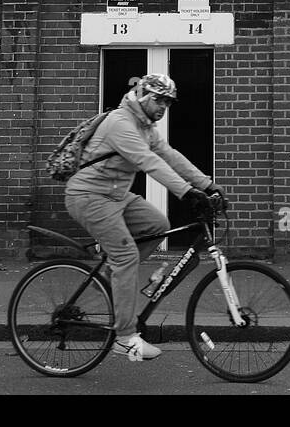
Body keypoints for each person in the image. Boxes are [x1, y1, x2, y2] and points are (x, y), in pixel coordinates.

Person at [63, 73, 223, 361]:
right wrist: (187, 193)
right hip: (89, 196)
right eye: (159, 100)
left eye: (168, 103)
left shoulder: (146, 128)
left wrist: (207, 185)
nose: (163, 107)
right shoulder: (121, 122)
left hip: (116, 196)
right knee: (126, 257)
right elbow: (148, 162)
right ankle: (124, 338)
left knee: (157, 225)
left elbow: (170, 156)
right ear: (143, 95)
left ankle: (113, 275)